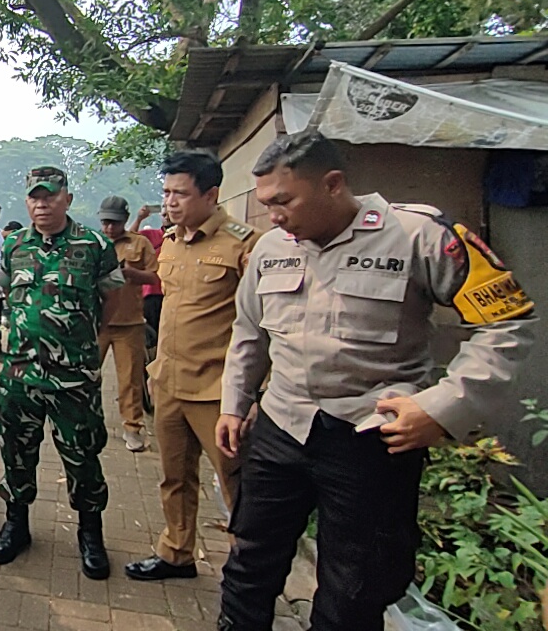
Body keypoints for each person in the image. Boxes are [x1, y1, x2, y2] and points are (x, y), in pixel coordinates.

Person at [215, 131, 536, 631]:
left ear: (332, 184)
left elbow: (508, 321)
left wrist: (442, 407)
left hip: (369, 435)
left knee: (355, 585)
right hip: (282, 426)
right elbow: (249, 332)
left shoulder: (417, 235)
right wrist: (234, 405)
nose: (273, 215)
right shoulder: (271, 248)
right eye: (266, 204)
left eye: (283, 201)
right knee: (249, 562)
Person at [125, 151, 260, 582]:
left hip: (218, 392)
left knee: (236, 483)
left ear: (211, 194)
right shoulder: (171, 242)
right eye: (166, 192)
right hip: (169, 383)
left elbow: (267, 325)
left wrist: (255, 395)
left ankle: (246, 572)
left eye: (180, 193)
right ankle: (177, 552)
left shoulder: (244, 245)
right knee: (175, 478)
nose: (169, 202)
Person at [0, 166, 124, 580]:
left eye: (50, 195)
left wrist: (89, 345)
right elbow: (4, 292)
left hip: (74, 379)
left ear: (67, 198)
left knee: (82, 456)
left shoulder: (95, 245)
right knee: (16, 451)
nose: (42, 203)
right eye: (35, 196)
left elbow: (112, 299)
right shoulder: (14, 245)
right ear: (27, 201)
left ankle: (90, 533)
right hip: (20, 375)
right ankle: (16, 525)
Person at [96, 196, 159, 452]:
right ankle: (88, 422)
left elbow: (154, 276)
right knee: (87, 375)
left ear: (125, 220)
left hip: (130, 323)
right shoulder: (93, 242)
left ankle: (132, 428)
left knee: (130, 380)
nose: (110, 228)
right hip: (97, 322)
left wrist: (132, 274)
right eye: (106, 222)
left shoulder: (140, 243)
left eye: (116, 222)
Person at [130, 205, 169, 339]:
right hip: (152, 294)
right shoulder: (151, 235)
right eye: (164, 214)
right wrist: (139, 219)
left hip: (173, 294)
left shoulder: (184, 238)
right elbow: (129, 239)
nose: (167, 216)